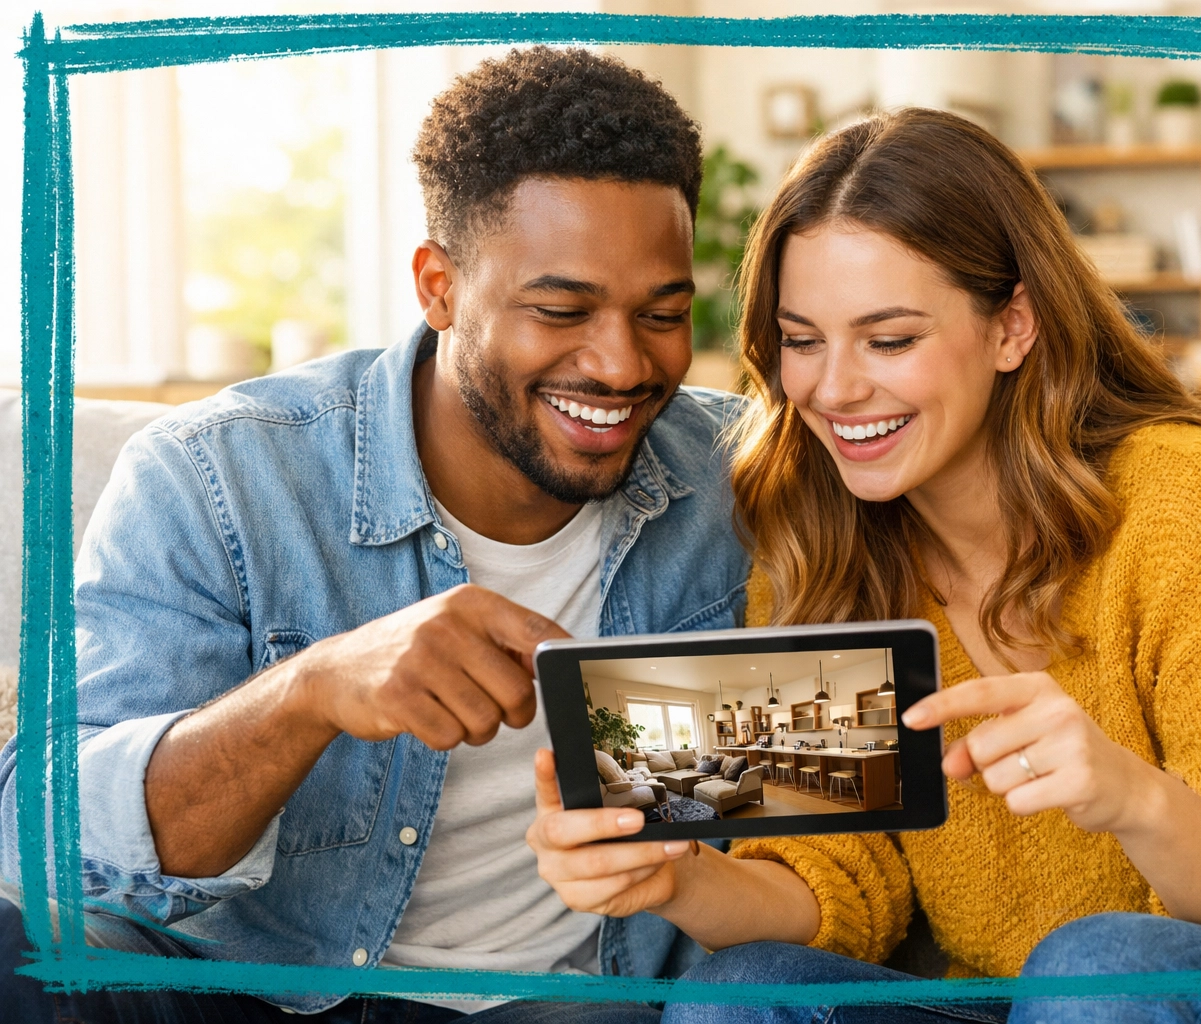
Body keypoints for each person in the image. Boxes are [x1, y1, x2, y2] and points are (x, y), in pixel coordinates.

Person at [526, 108, 1201, 1023]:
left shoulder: (1178, 496)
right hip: (1034, 999)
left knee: (1097, 965)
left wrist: (1134, 800)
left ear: (1011, 325)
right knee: (752, 986)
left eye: (890, 338)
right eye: (801, 341)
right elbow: (848, 895)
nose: (833, 388)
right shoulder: (819, 535)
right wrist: (683, 878)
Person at [0, 47, 749, 1023]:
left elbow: (838, 754)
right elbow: (39, 837)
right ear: (438, 286)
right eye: (560, 310)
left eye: (663, 314)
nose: (619, 364)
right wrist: (310, 694)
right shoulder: (218, 477)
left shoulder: (736, 481)